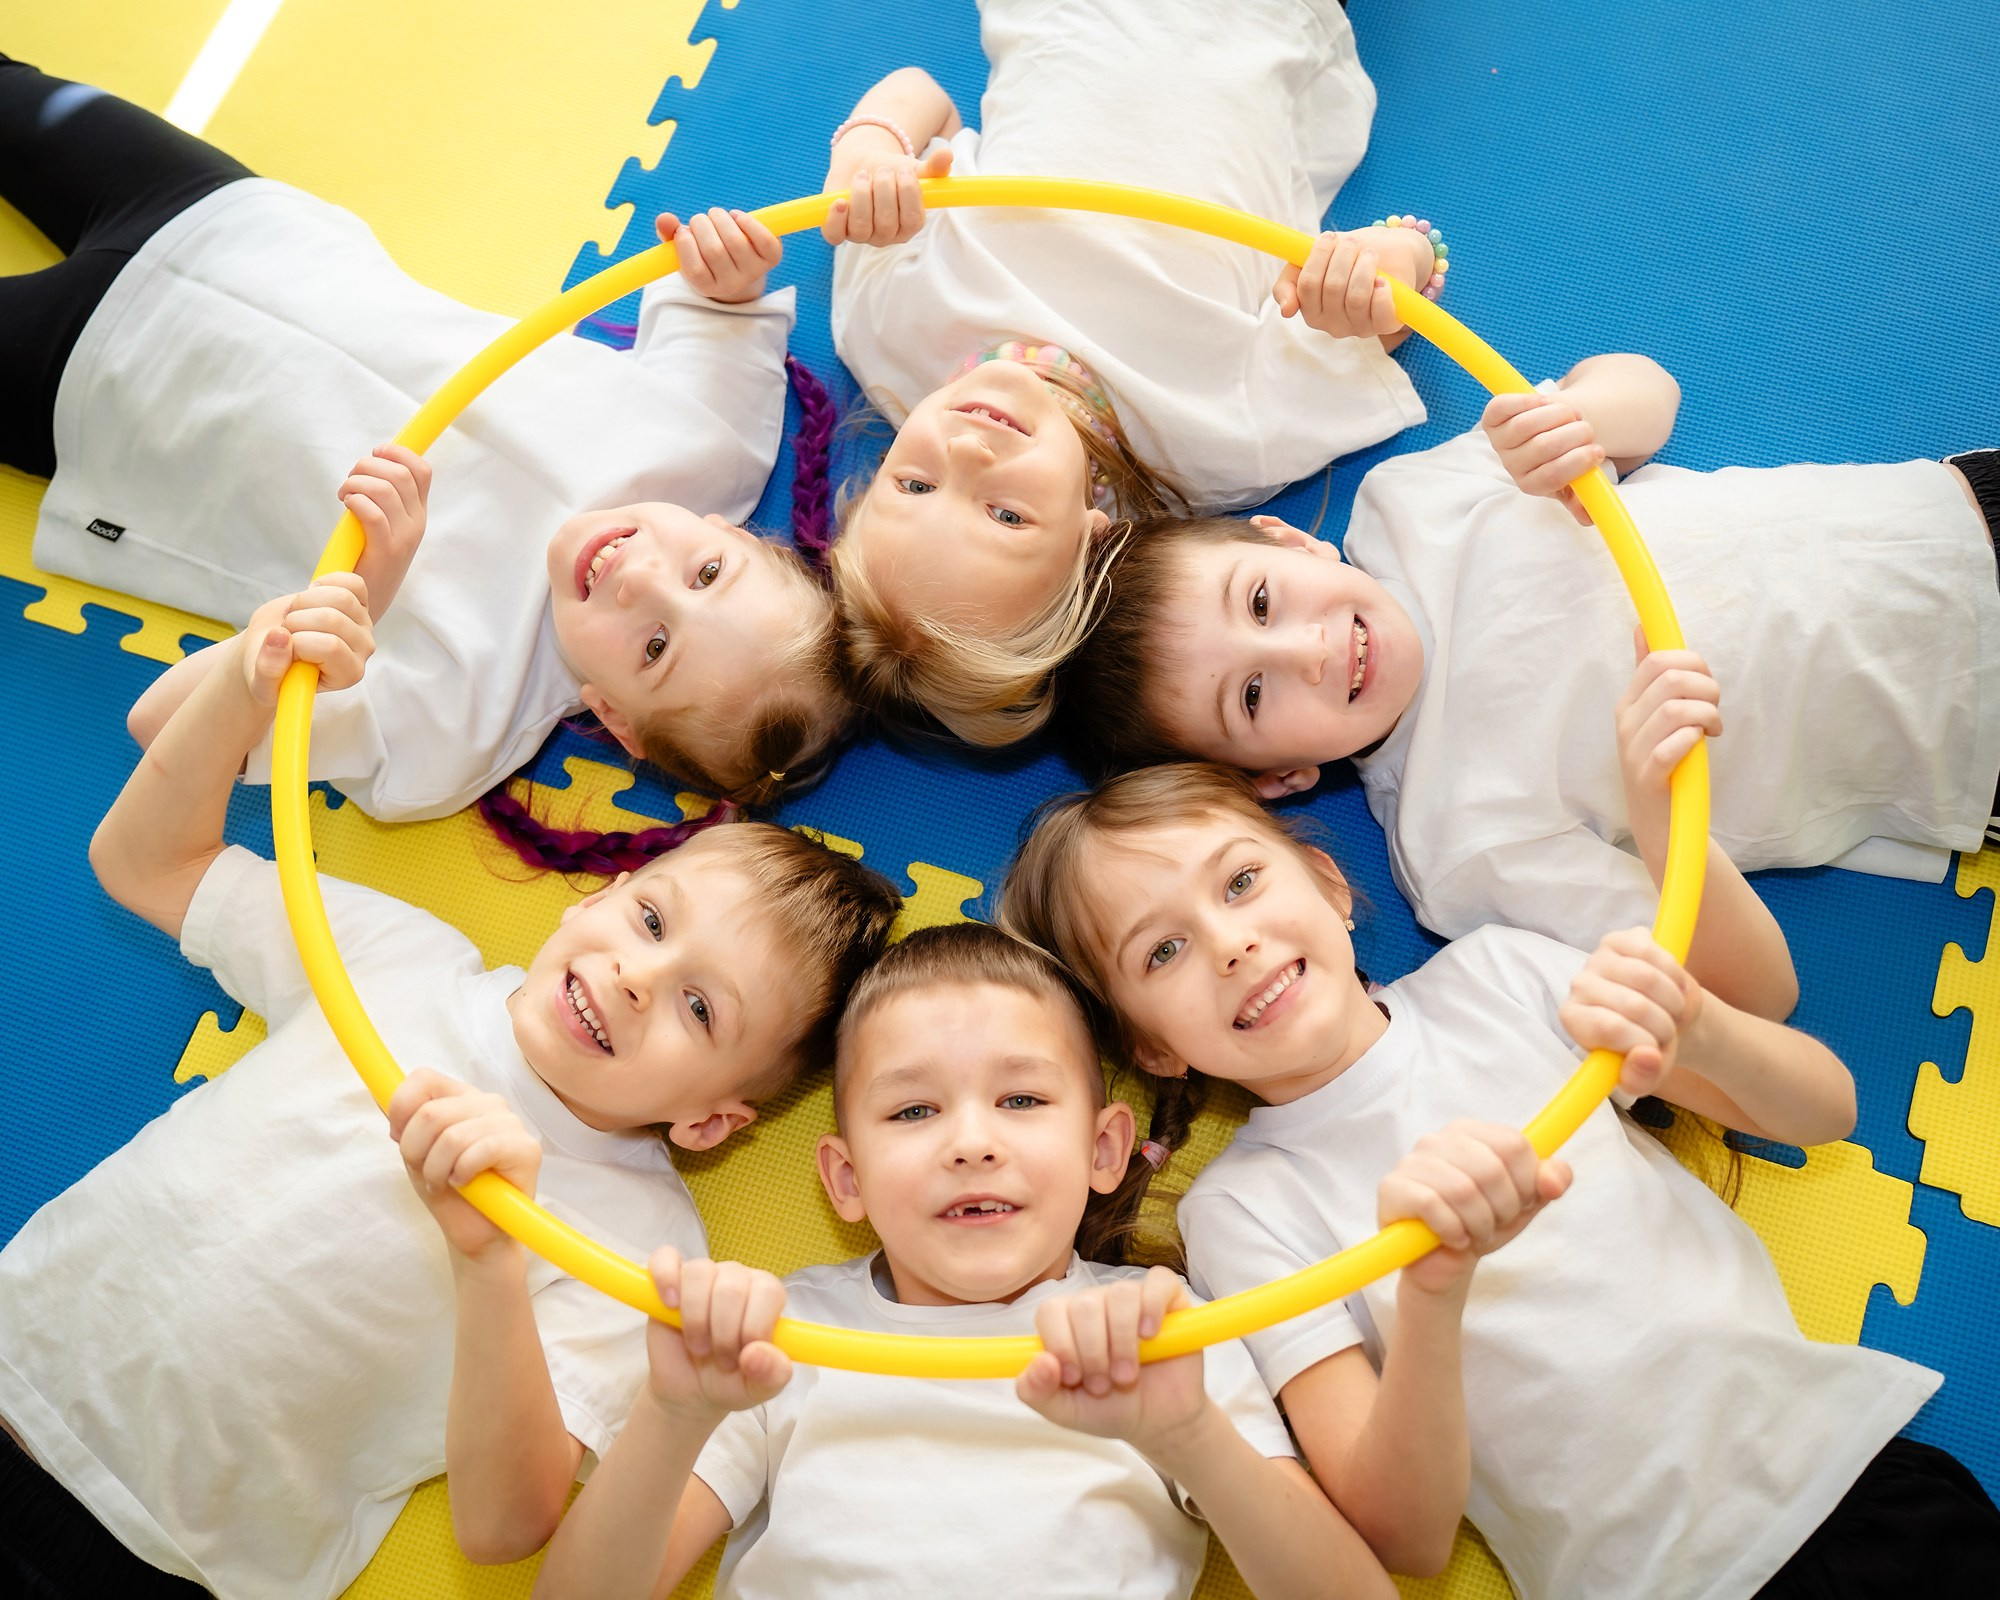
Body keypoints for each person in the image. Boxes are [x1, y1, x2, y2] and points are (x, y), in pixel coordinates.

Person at [0, 578, 900, 1599]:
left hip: (165, 1556)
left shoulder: (641, 1244)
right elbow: (144, 862)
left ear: (708, 1122)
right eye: (651, 920)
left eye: (700, 1008)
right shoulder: (402, 958)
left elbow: (505, 1526)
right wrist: (249, 681)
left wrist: (490, 1263)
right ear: (596, 900)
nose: (636, 977)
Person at [999, 762, 2000, 1596]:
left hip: (1850, 1474)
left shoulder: (1500, 975)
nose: (1230, 945)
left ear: (1329, 884)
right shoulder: (1243, 1211)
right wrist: (1432, 1291)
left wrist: (1701, 1029)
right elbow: (1405, 1542)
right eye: (1163, 951)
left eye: (1240, 882)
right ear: (1153, 1047)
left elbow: (1825, 1109)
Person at [0, 52, 846, 825]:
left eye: (655, 649)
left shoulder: (454, 728)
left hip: (106, 402)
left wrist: (358, 593)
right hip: (240, 229)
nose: (641, 578)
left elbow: (171, 725)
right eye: (709, 572)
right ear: (744, 537)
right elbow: (716, 304)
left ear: (616, 719)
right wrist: (727, 274)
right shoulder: (717, 444)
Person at [1052, 354, 2000, 1017]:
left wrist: (1583, 417)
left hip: (1949, 518)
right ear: (1279, 779)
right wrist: (1660, 812)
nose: (1308, 651)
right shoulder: (1457, 845)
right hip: (1969, 738)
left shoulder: (1411, 504)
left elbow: (1651, 392)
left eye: (1263, 600)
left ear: (1288, 540)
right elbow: (1740, 991)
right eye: (1254, 698)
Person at [532, 921, 1399, 1600]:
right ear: (846, 1179)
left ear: (1104, 1150)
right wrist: (674, 1415)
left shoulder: (1163, 1332)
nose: (972, 1143)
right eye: (914, 1112)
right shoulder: (775, 1337)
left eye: (1021, 1099)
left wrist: (1189, 1436)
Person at [815, 0, 1436, 745]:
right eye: (1005, 516)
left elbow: (923, 97)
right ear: (1091, 541)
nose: (968, 452)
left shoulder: (884, 329)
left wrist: (870, 150)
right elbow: (1400, 301)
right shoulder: (1215, 445)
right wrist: (1376, 270)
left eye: (914, 486)